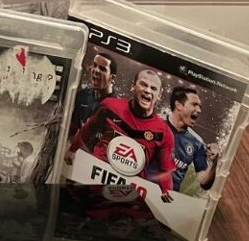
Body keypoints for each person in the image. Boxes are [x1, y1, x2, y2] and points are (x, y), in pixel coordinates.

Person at [67, 68, 175, 199]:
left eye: (153, 88)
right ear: (133, 86)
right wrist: (73, 150)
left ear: (159, 94)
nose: (148, 90)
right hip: (93, 181)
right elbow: (88, 131)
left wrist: (166, 192)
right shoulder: (109, 106)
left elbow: (165, 171)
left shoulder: (164, 132)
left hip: (126, 194)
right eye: (143, 84)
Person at [167, 86, 220, 195]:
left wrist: (214, 162)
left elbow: (204, 182)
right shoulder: (153, 123)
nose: (199, 110)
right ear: (179, 105)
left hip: (167, 199)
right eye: (194, 104)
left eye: (199, 106)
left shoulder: (197, 143)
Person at [72, 52, 116, 128]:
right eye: (94, 65)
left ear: (112, 78)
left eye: (102, 69)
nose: (96, 70)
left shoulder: (116, 108)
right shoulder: (81, 96)